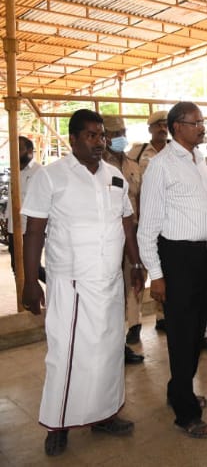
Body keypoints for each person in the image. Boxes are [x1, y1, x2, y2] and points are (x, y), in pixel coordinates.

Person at [22, 109, 143, 456]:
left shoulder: (114, 175)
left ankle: (103, 414)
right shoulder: (51, 177)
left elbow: (127, 223)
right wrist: (31, 282)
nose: (98, 141)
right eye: (90, 135)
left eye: (101, 135)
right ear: (73, 139)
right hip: (72, 283)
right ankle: (57, 424)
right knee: (67, 355)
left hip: (109, 280)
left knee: (107, 351)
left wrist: (135, 262)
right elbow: (34, 232)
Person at [138, 101, 207, 439]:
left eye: (203, 122)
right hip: (177, 259)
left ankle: (179, 390)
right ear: (178, 127)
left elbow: (202, 205)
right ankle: (185, 413)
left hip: (204, 255)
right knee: (180, 333)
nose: (202, 128)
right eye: (196, 123)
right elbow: (147, 226)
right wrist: (156, 274)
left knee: (195, 331)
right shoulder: (161, 166)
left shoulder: (197, 160)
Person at [102, 116, 146, 365]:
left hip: (133, 234)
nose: (120, 136)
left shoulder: (132, 164)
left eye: (123, 131)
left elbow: (137, 200)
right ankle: (113, 344)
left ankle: (127, 334)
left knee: (132, 283)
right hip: (109, 236)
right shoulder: (98, 164)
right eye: (115, 132)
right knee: (112, 289)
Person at [128, 110, 170, 332]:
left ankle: (162, 317)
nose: (162, 129)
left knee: (164, 271)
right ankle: (134, 323)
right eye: (158, 125)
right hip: (144, 222)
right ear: (150, 129)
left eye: (165, 125)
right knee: (139, 271)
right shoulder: (138, 152)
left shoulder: (177, 151)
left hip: (170, 224)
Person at [6, 136, 45, 282]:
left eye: (19, 149)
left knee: (33, 269)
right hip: (13, 229)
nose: (15, 153)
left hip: (31, 230)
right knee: (17, 268)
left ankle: (54, 293)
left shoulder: (40, 172)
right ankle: (27, 303)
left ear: (30, 151)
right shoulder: (14, 171)